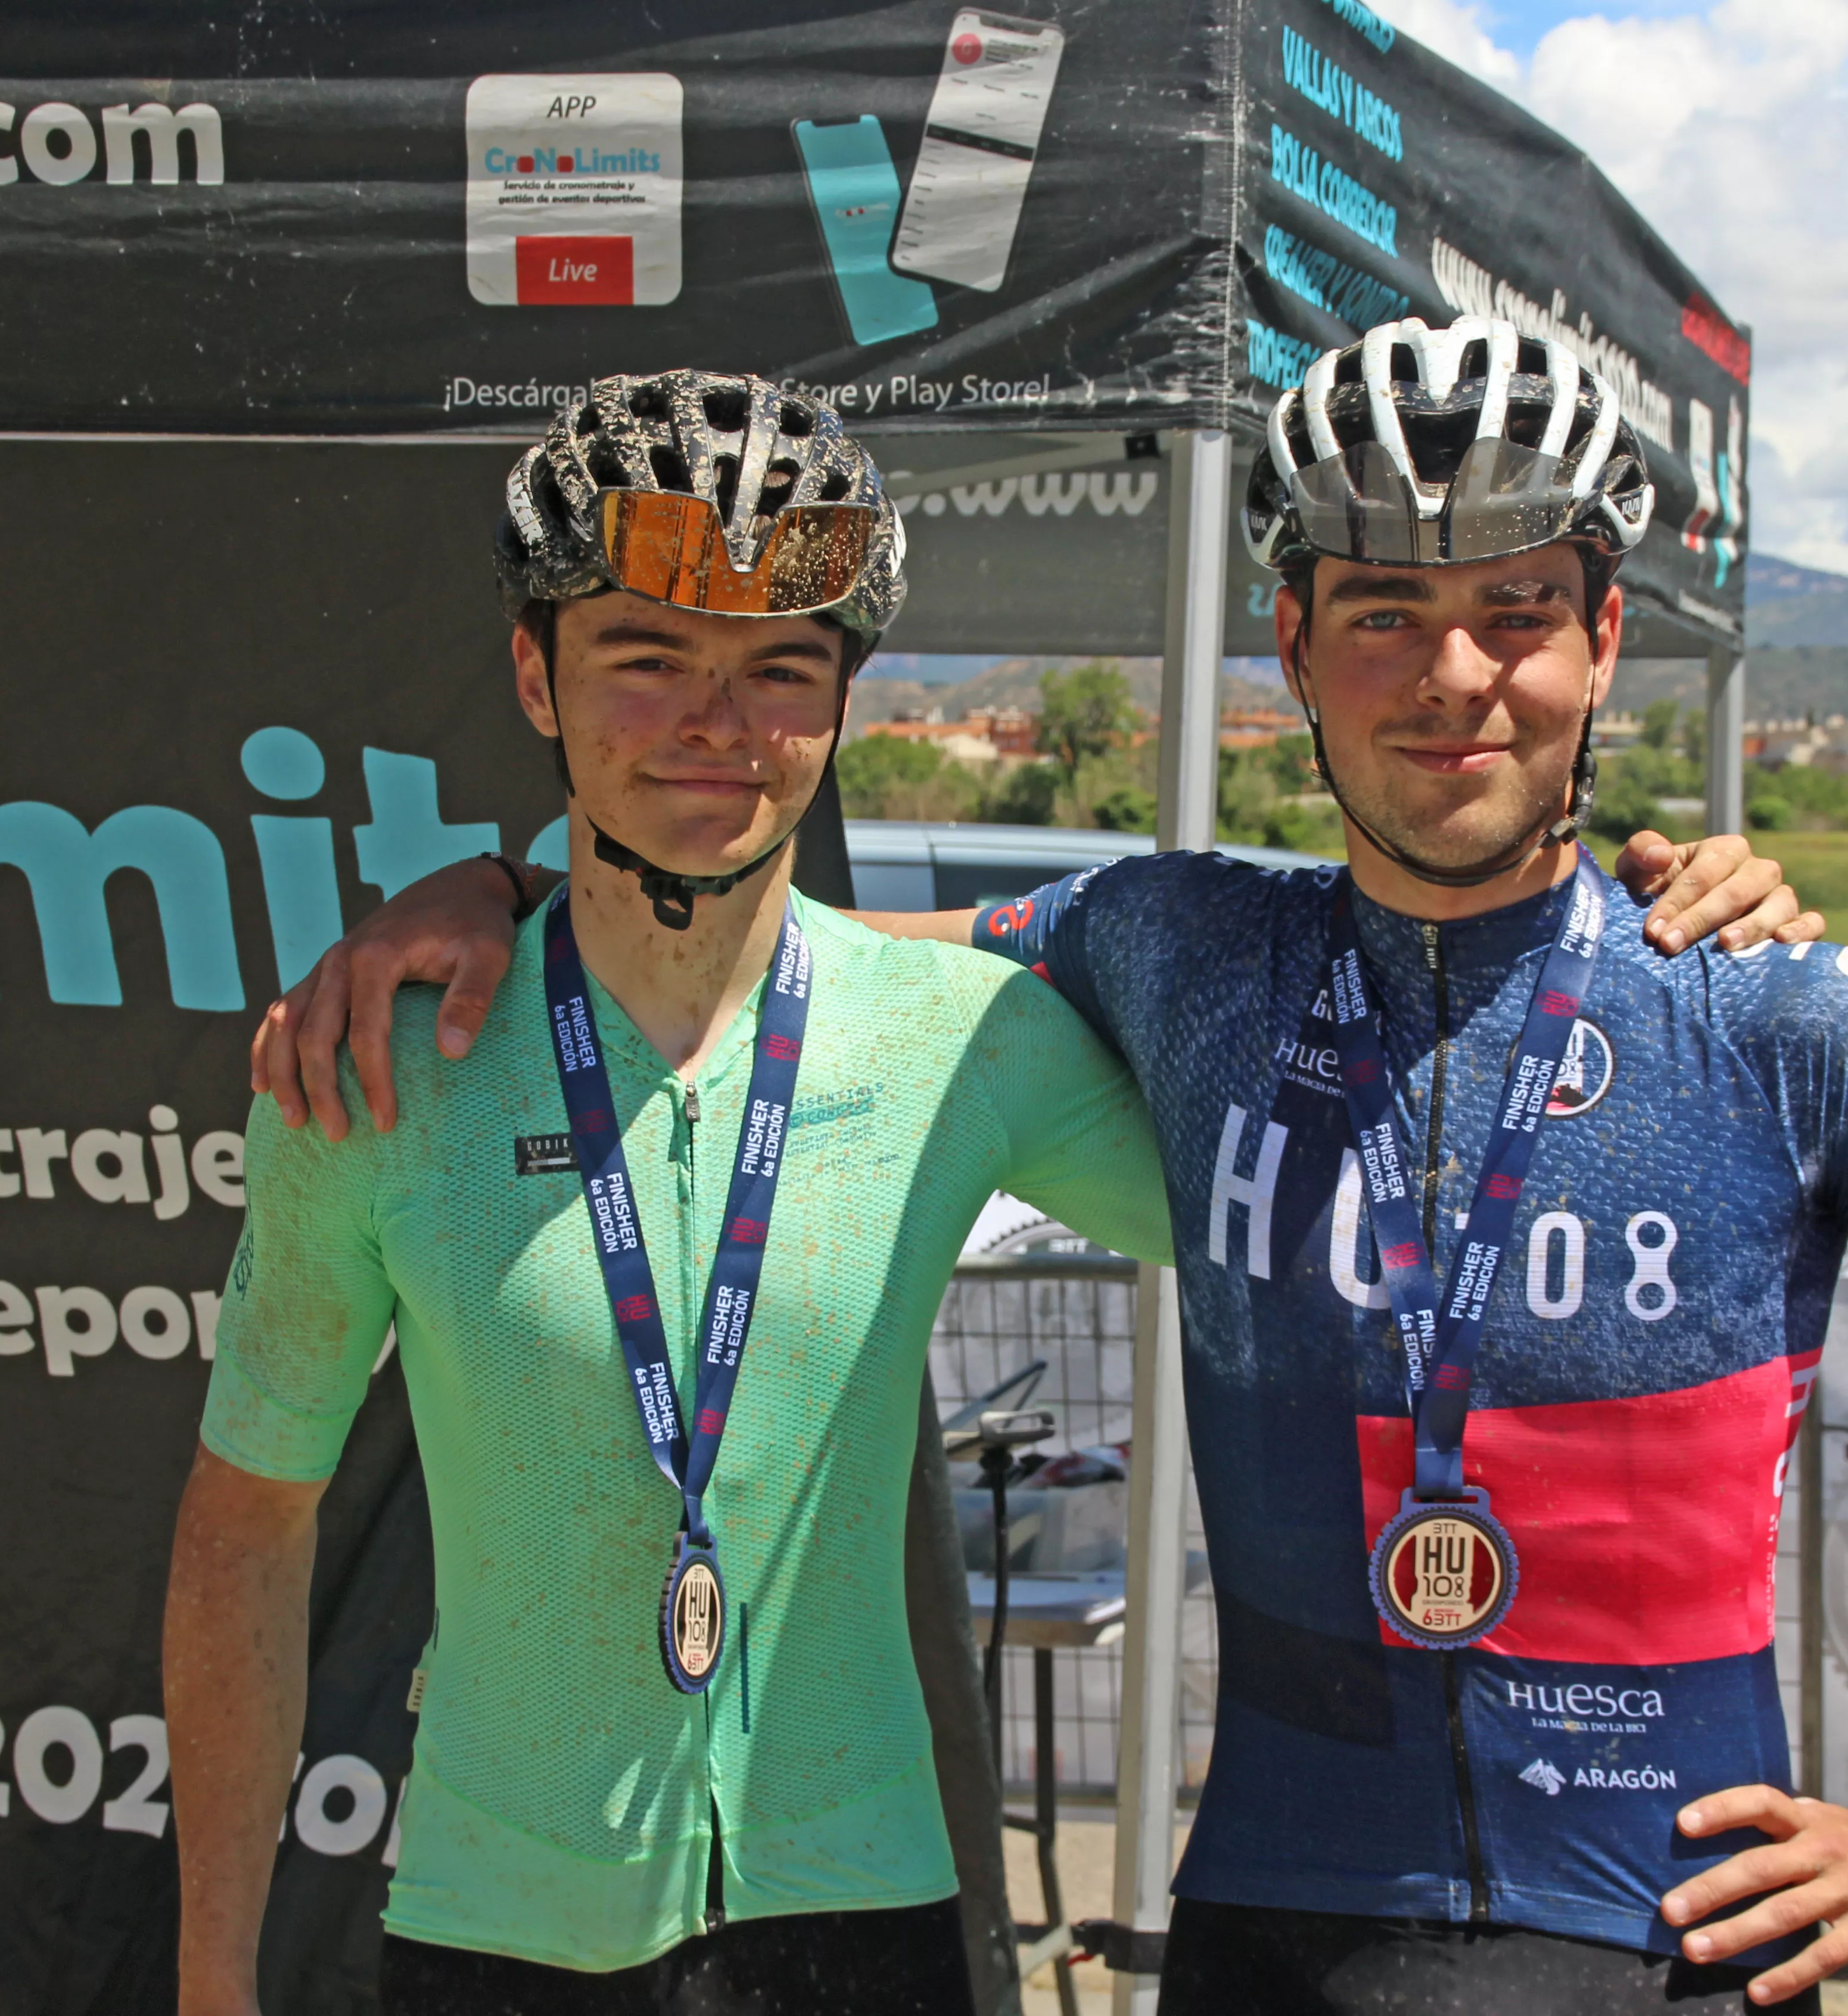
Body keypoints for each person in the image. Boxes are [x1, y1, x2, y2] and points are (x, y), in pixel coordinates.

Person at [251, 316, 1848, 2016]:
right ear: (1293, 642)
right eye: (1385, 614)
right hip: (1279, 1937)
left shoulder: (1788, 1013)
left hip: (1666, 1938)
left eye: (1519, 612)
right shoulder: (1177, 949)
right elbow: (773, 961)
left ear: (1607, 639)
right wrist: (499, 896)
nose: (1455, 675)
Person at [165, 372, 1187, 2016]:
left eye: (779, 667)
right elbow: (247, 1527)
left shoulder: (966, 1042)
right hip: (498, 1934)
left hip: (865, 1924)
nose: (716, 721)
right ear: (536, 675)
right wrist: (214, 1979)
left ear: (843, 702)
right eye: (646, 658)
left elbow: (1309, 1223)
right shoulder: (380, 1066)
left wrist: (1621, 914)